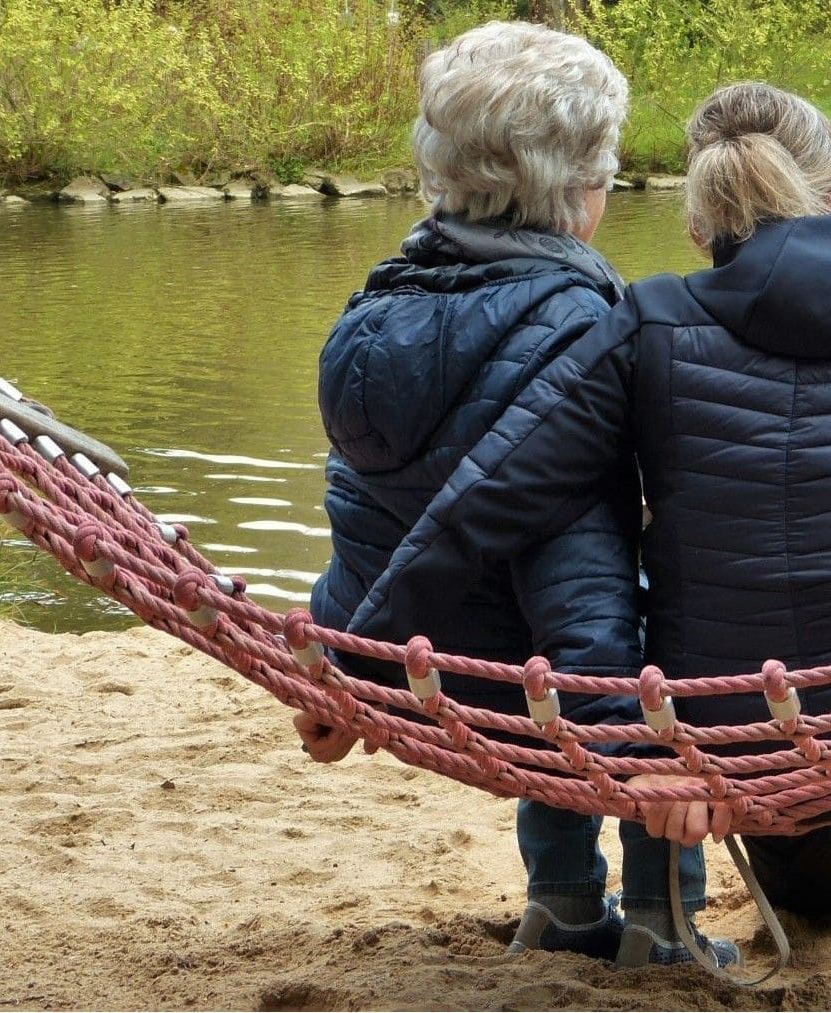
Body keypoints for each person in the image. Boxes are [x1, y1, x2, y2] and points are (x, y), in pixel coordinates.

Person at [348, 81, 831, 923]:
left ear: (700, 226)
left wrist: (359, 659)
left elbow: (494, 497)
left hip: (728, 731)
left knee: (812, 900)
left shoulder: (644, 325)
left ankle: (824, 856)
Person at [298, 21, 730, 969]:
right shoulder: (586, 327)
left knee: (547, 641)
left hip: (411, 658)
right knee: (678, 628)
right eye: (606, 170)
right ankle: (665, 921)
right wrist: (633, 754)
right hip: (535, 678)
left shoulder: (373, 309)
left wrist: (341, 659)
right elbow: (584, 575)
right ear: (580, 190)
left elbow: (366, 512)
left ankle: (563, 901)